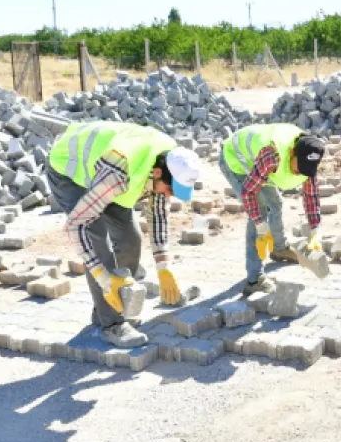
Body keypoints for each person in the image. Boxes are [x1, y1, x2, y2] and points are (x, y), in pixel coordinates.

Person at [47, 121, 201, 348]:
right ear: (157, 174)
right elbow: (76, 226)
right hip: (69, 172)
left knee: (131, 239)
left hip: (104, 176)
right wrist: (103, 277)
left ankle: (107, 306)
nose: (170, 196)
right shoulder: (118, 173)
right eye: (170, 190)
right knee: (97, 239)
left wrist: (163, 265)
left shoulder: (168, 158)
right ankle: (111, 324)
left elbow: (157, 213)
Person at [220, 123, 326, 296]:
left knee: (275, 203)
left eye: (306, 170)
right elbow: (248, 192)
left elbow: (311, 195)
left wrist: (315, 231)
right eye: (299, 168)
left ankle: (279, 248)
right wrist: (261, 226)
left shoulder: (308, 155)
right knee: (259, 212)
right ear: (292, 153)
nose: (300, 173)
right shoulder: (272, 155)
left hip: (258, 164)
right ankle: (254, 279)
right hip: (235, 160)